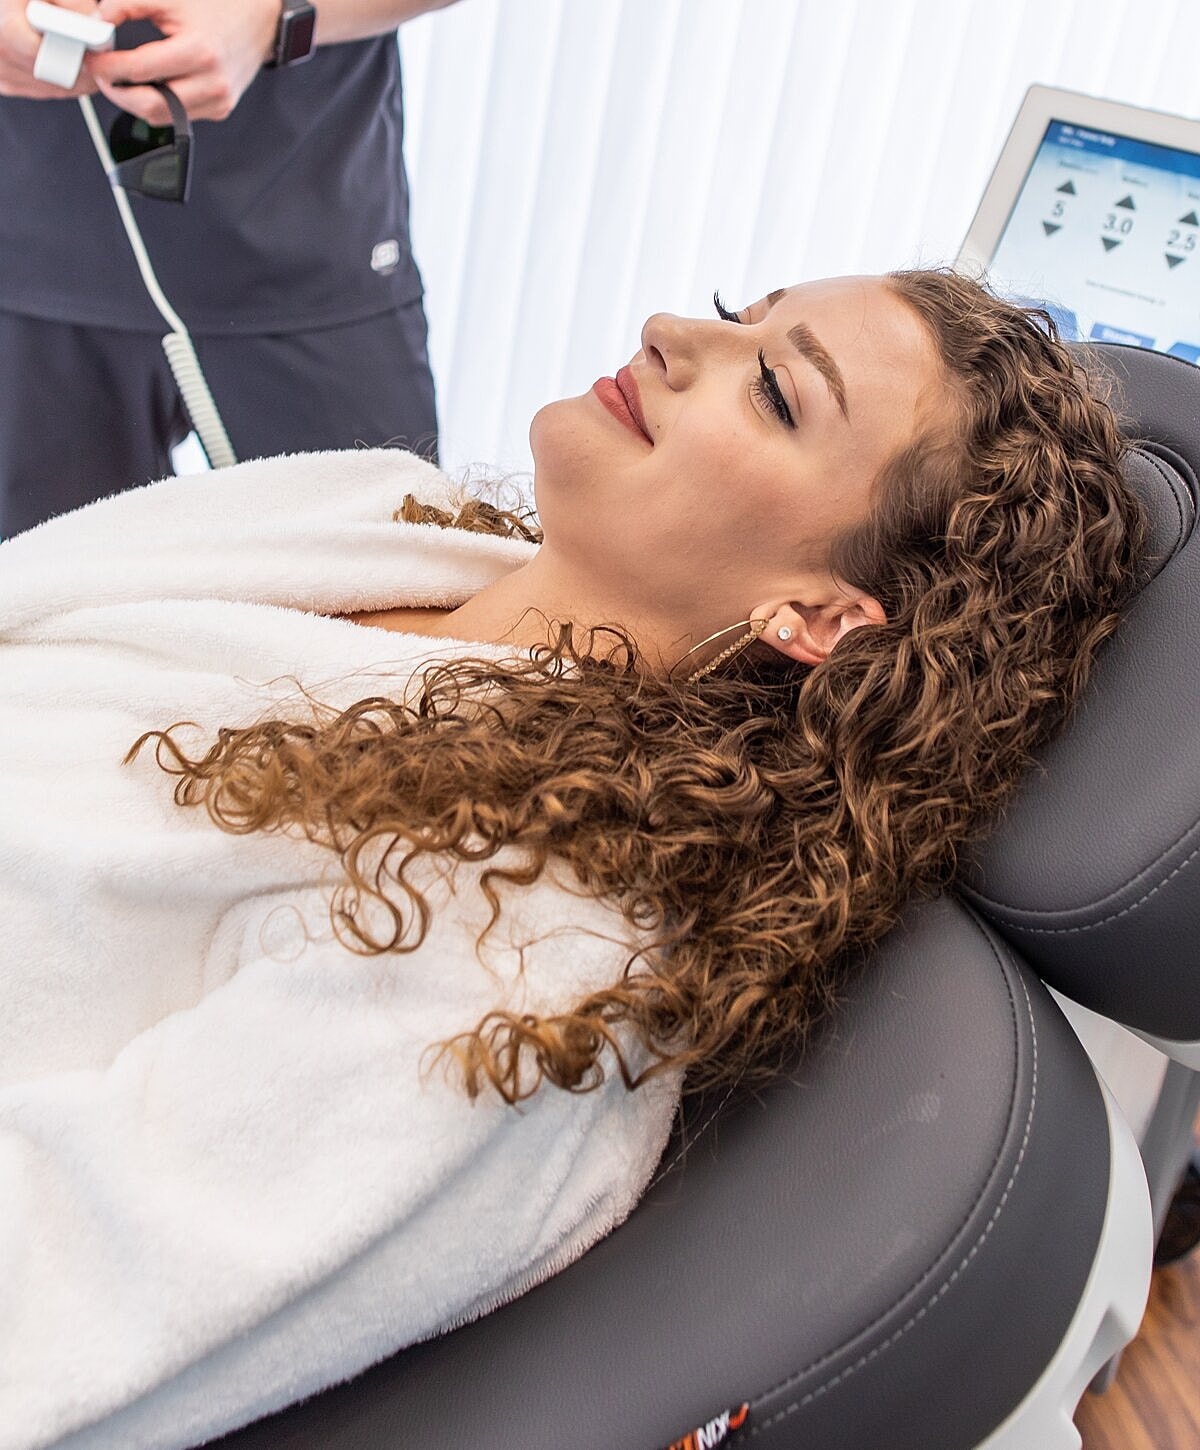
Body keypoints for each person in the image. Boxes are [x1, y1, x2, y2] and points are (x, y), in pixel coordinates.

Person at [0, 269, 1145, 1448]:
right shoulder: (379, 511)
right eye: (738, 307)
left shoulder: (516, 952)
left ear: (820, 615)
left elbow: (53, 1304)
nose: (672, 331)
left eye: (774, 389)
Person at [0, 0, 461, 538]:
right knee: (38, 611)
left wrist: (276, 18)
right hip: (30, 248)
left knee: (392, 587)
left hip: (305, 228)